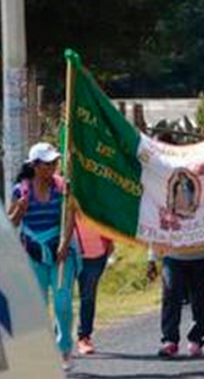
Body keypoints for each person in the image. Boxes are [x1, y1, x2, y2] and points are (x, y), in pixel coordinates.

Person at [7, 143, 77, 369]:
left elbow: (70, 216)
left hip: (60, 253)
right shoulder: (21, 190)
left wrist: (65, 244)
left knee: (63, 304)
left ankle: (64, 348)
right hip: (32, 254)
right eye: (48, 164)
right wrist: (20, 208)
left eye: (55, 163)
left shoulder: (62, 188)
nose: (53, 167)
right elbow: (11, 224)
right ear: (35, 166)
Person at [75, 215, 113, 356]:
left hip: (95, 253)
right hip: (69, 252)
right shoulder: (63, 193)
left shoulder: (97, 194)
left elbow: (105, 214)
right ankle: (61, 340)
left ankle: (84, 337)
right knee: (62, 296)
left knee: (88, 296)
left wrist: (109, 240)